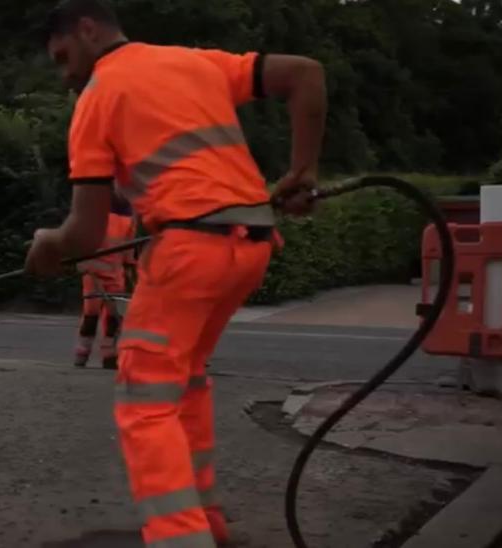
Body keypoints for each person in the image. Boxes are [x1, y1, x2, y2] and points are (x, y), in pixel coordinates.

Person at [24, 0, 326, 546]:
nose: (65, 74)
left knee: (144, 398)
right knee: (183, 381)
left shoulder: (96, 99)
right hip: (250, 244)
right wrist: (301, 173)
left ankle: (179, 537)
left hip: (190, 251)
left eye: (63, 56)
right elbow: (306, 73)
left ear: (88, 30)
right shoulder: (193, 63)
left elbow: (85, 234)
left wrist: (48, 245)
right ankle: (206, 520)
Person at [74, 193, 135, 369]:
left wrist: (131, 267)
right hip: (95, 274)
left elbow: (128, 250)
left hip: (112, 275)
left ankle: (107, 355)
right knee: (93, 315)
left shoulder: (125, 216)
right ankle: (84, 354)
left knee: (111, 318)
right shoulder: (97, 213)